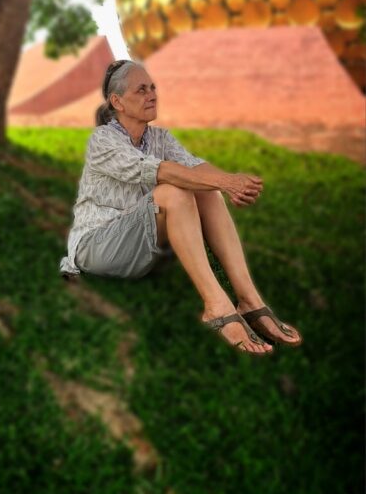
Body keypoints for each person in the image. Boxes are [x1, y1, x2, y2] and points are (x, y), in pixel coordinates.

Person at [60, 59, 303, 355]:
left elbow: (198, 168)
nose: (152, 94)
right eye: (141, 90)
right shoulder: (103, 140)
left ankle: (250, 300)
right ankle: (216, 306)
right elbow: (160, 172)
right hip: (98, 248)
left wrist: (228, 182)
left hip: (142, 246)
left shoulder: (160, 137)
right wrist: (227, 183)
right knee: (174, 192)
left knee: (207, 191)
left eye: (153, 87)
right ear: (117, 102)